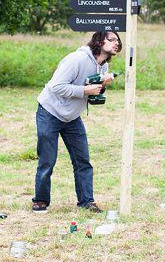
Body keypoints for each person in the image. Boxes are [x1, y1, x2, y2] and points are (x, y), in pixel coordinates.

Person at [31, 30, 120, 213]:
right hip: (50, 112)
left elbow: (92, 93)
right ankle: (40, 201)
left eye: (118, 41)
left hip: (72, 117)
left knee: (83, 160)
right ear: (99, 41)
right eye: (111, 39)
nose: (116, 43)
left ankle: (86, 202)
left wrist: (101, 86)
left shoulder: (103, 67)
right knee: (48, 160)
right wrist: (85, 91)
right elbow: (56, 86)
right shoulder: (77, 59)